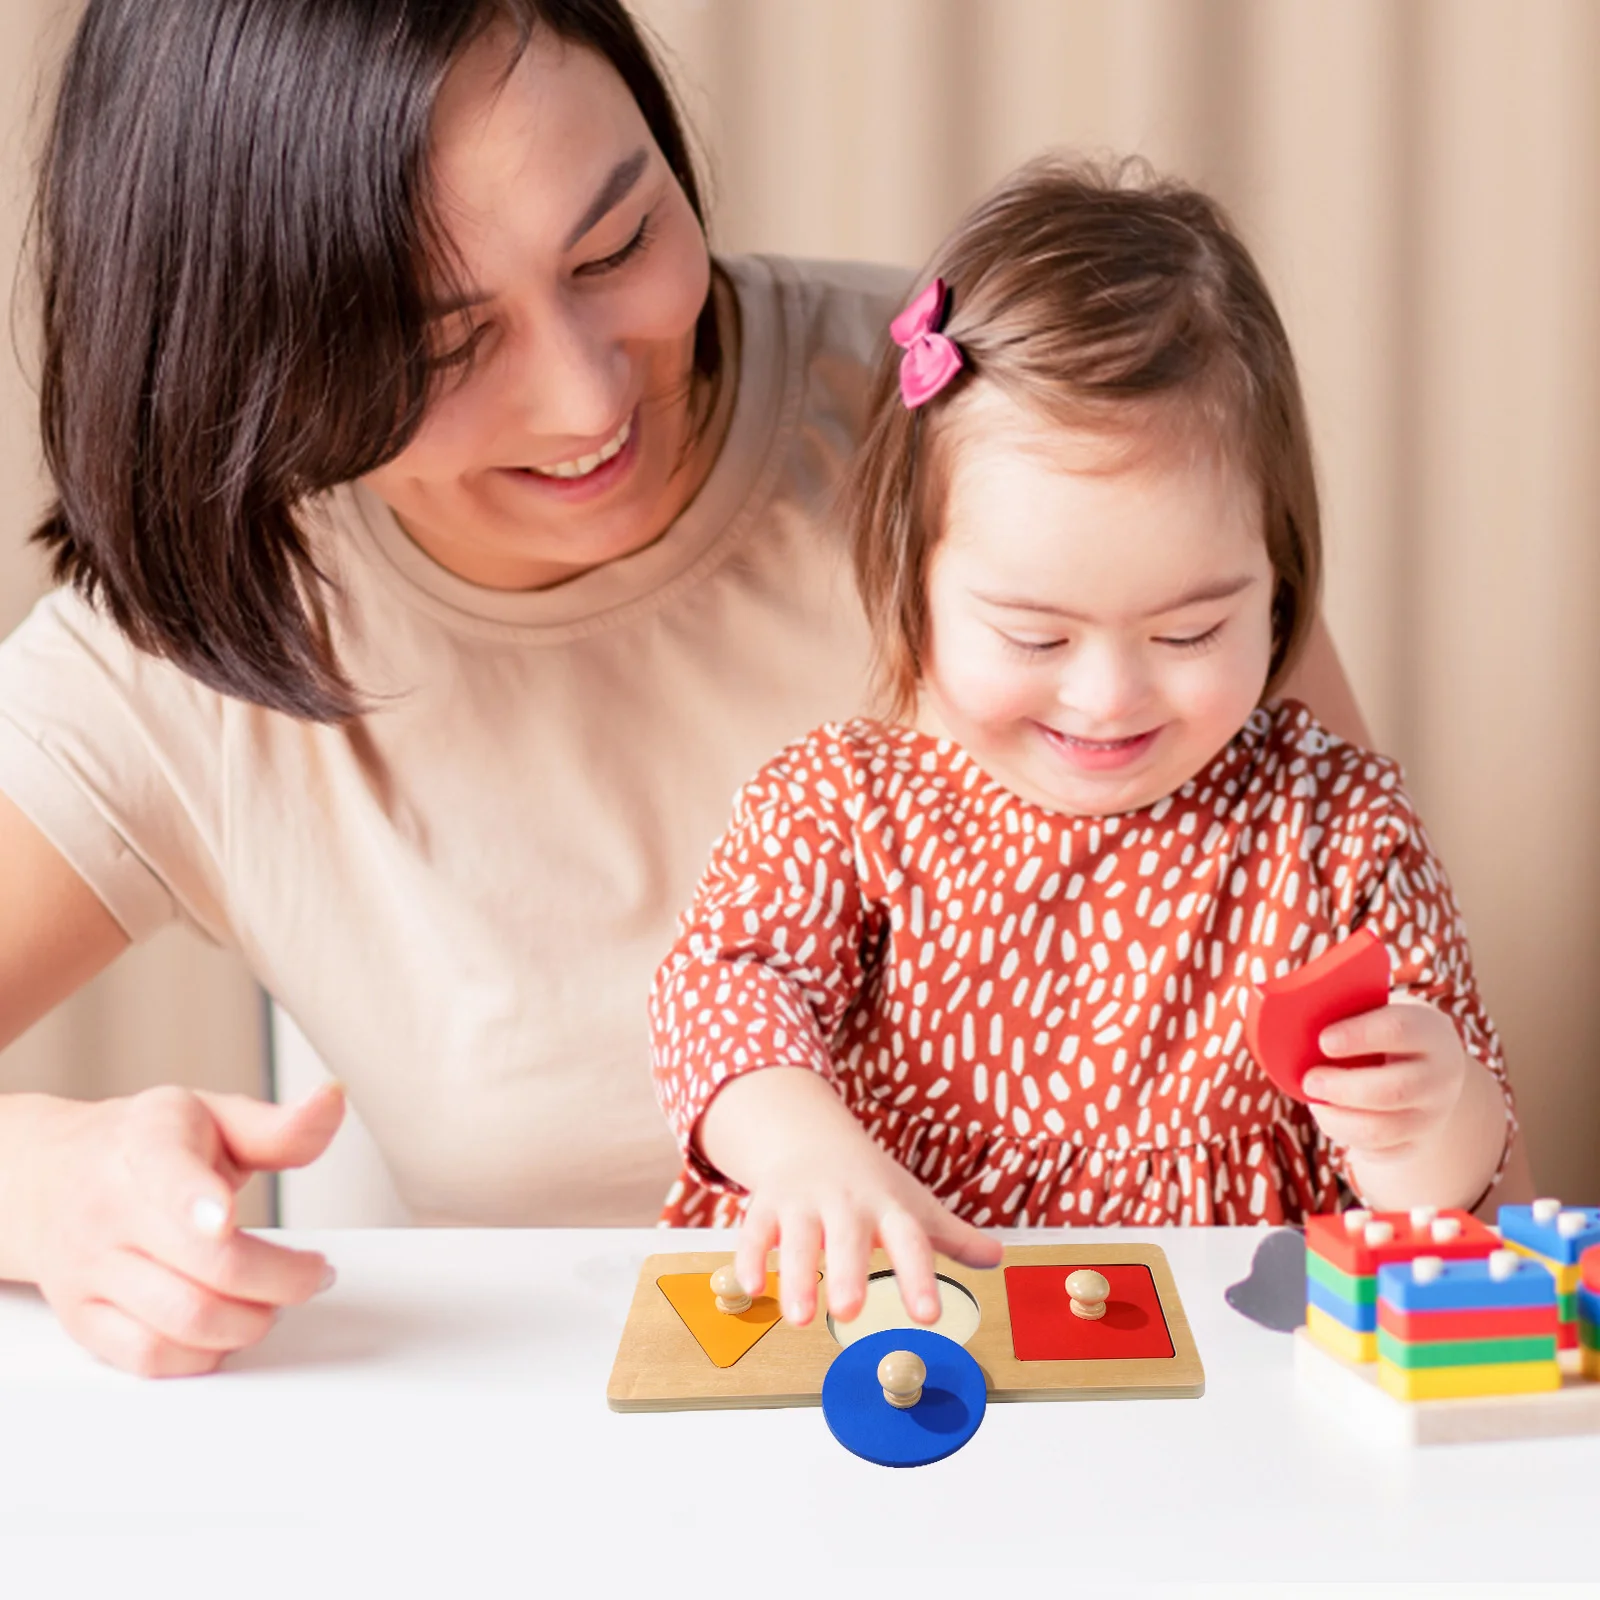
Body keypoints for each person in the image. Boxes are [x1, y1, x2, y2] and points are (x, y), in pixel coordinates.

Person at [0, 0, 1382, 1378]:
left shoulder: (1027, 438)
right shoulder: (197, 641)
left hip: (1126, 1428)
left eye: (618, 245)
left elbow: (1350, 973)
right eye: (444, 345)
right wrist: (44, 1183)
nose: (588, 398)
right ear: (257, 344)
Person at [648, 159, 1520, 1332]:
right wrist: (804, 1153)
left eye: (1189, 628)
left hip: (1224, 1386)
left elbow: (1461, 1207)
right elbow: (720, 989)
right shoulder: (848, 802)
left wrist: (1436, 1120)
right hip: (898, 1343)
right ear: (911, 582)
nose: (1108, 695)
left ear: (1276, 584)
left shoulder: (1334, 828)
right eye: (1033, 632)